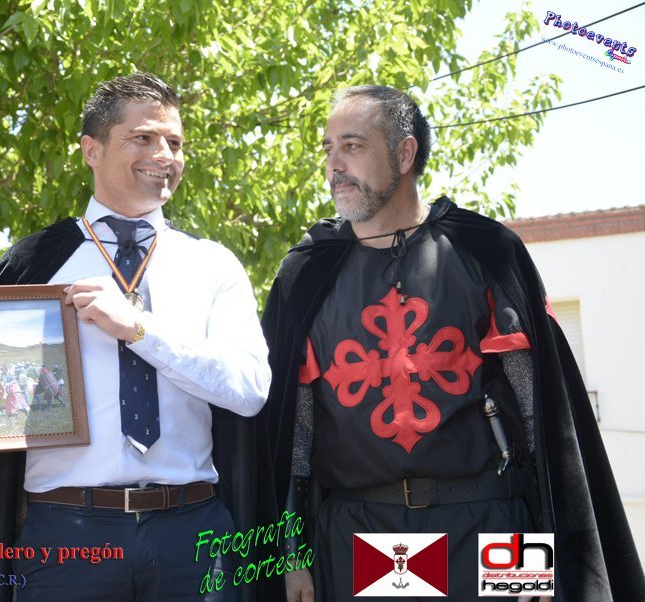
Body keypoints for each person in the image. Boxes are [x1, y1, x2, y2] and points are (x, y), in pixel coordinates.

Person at [0, 73, 282, 602]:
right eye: (143, 137)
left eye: (175, 142)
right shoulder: (32, 265)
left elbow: (250, 391)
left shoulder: (212, 265)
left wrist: (139, 329)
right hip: (67, 538)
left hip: (193, 532)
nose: (164, 155)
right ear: (91, 150)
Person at [262, 85, 645, 601]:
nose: (335, 164)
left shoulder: (484, 251)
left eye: (352, 146)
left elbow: (540, 417)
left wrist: (546, 552)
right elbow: (293, 435)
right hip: (362, 534)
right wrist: (290, 556)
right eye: (328, 149)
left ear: (404, 153)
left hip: (492, 523)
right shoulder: (309, 272)